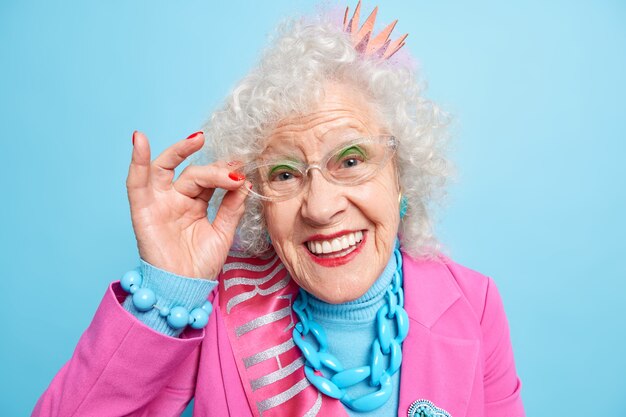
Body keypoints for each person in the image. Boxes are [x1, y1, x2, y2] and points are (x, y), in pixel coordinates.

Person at [33, 2, 525, 416]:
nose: (320, 206)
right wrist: (166, 291)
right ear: (258, 201)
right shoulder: (215, 312)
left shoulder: (475, 304)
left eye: (351, 160)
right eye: (285, 174)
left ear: (404, 175)